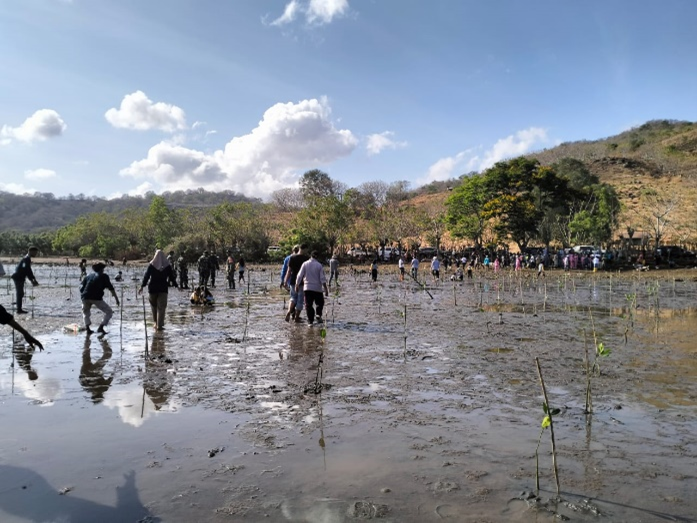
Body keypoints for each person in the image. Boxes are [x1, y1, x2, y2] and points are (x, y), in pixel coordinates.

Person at [80, 262, 120, 335]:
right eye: (103, 269)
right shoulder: (104, 276)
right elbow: (111, 288)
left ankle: (88, 329)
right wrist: (116, 299)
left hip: (85, 297)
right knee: (109, 312)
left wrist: (83, 296)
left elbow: (81, 288)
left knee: (86, 313)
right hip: (96, 298)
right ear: (102, 269)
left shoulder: (88, 276)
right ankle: (101, 327)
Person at [139, 250, 173, 332]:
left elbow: (146, 276)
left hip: (152, 289)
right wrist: (176, 285)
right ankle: (159, 325)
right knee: (161, 308)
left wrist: (142, 286)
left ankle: (156, 323)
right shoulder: (167, 266)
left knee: (154, 307)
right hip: (163, 289)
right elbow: (171, 276)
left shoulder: (152, 265)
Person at [295, 250, 329, 326]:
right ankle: (318, 315)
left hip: (307, 288)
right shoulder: (319, 265)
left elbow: (299, 275)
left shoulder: (305, 264)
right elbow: (322, 278)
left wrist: (297, 284)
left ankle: (310, 321)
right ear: (317, 257)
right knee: (320, 303)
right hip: (317, 288)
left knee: (308, 305)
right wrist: (326, 289)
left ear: (311, 256)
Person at [284, 244, 309, 322]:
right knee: (300, 300)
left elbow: (289, 271)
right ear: (304, 249)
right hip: (302, 282)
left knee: (293, 298)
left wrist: (285, 281)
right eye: (306, 250)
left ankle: (288, 311)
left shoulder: (292, 257)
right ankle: (297, 318)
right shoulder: (306, 258)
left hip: (293, 280)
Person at [11, 246, 39, 314]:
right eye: (35, 252)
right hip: (18, 278)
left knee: (21, 293)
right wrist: (32, 280)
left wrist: (32, 279)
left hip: (19, 277)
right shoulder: (26, 259)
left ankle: (18, 305)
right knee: (20, 293)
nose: (36, 254)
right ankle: (19, 310)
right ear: (31, 251)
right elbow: (27, 270)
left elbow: (27, 270)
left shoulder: (26, 258)